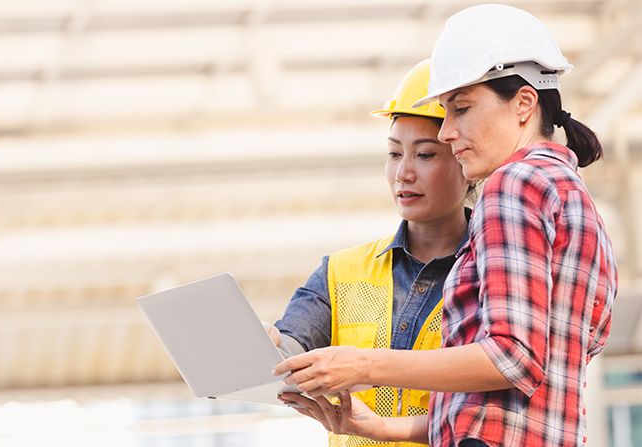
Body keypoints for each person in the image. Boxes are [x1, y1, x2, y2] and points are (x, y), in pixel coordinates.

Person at [273, 5, 618, 447]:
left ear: (524, 104)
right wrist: (378, 427)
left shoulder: (511, 185)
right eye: (395, 152)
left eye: (461, 109)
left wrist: (364, 366)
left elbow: (513, 357)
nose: (449, 131)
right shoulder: (573, 197)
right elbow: (516, 392)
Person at [264, 59, 473, 447]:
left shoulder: (490, 271)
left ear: (467, 159)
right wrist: (269, 348)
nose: (403, 174)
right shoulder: (340, 272)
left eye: (424, 154)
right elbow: (293, 345)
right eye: (394, 154)